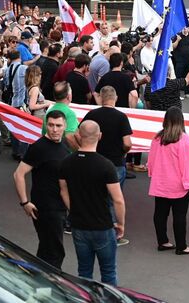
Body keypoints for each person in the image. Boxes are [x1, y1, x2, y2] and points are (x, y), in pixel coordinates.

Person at [59, 120, 125, 286]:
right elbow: (118, 199)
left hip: (79, 224)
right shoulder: (106, 165)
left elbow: (63, 190)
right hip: (102, 225)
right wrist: (120, 223)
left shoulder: (67, 162)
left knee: (84, 271)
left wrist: (73, 209)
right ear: (100, 136)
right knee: (109, 272)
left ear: (78, 135)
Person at [13, 110, 71, 269]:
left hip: (59, 206)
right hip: (46, 208)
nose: (54, 129)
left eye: (58, 125)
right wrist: (24, 202)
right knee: (53, 253)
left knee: (48, 250)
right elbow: (19, 174)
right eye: (50, 125)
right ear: (46, 125)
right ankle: (50, 287)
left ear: (65, 125)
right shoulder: (39, 147)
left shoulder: (64, 143)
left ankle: (38, 284)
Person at [82, 86, 132, 246]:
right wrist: (124, 151)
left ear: (101, 98)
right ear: (115, 98)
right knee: (113, 199)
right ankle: (111, 234)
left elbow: (78, 133)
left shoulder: (92, 115)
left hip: (94, 161)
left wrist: (83, 148)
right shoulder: (121, 117)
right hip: (115, 163)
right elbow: (127, 143)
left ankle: (92, 228)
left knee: (94, 196)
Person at [148, 107, 189, 255]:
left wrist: (153, 175)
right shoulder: (185, 140)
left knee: (160, 213)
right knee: (179, 215)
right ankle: (181, 246)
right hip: (179, 184)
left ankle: (163, 241)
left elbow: (151, 162)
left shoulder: (157, 138)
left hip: (160, 182)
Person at [43, 82, 79, 151]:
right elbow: (69, 137)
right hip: (64, 155)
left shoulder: (49, 111)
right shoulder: (70, 113)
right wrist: (80, 151)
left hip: (50, 151)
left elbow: (44, 134)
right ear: (69, 96)